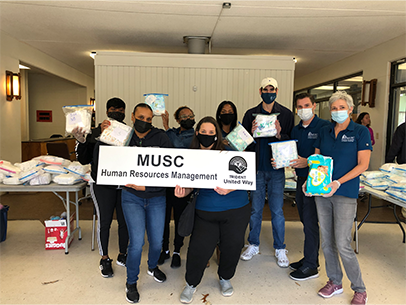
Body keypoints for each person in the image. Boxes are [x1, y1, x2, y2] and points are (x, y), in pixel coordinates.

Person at [174, 116, 250, 304]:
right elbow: (191, 185)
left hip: (236, 209)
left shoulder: (229, 151)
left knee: (232, 248)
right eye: (203, 132)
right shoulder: (190, 156)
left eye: (211, 132)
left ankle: (225, 278)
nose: (207, 135)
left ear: (216, 135)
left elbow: (247, 176)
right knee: (198, 250)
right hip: (205, 211)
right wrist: (183, 192)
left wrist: (231, 186)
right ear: (197, 133)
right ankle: (191, 284)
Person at [104, 103, 172, 303]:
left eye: (149, 119)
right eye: (141, 117)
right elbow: (105, 158)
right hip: (131, 196)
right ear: (132, 117)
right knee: (136, 243)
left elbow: (169, 172)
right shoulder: (122, 136)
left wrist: (147, 188)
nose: (145, 122)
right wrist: (104, 133)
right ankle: (131, 282)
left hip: (157, 197)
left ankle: (152, 267)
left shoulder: (161, 138)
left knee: (157, 240)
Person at [307, 91, 371, 305]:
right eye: (334, 108)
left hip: (344, 193)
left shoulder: (360, 132)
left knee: (342, 243)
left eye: (342, 107)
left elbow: (363, 165)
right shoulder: (325, 131)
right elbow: (316, 160)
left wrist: (338, 183)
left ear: (351, 109)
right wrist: (311, 182)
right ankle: (334, 281)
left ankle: (360, 289)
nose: (338, 111)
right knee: (327, 242)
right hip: (322, 193)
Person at [240, 77, 294, 267]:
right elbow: (243, 142)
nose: (268, 91)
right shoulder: (251, 114)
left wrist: (280, 134)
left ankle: (280, 247)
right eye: (265, 88)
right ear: (260, 91)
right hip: (256, 169)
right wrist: (252, 133)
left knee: (277, 210)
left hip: (276, 169)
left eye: (272, 89)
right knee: (255, 209)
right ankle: (253, 243)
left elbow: (291, 141)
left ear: (277, 91)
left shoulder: (286, 114)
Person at [72, 97, 129, 278]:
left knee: (124, 221)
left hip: (123, 184)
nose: (117, 112)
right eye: (113, 109)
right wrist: (83, 140)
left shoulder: (128, 132)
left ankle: (123, 254)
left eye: (120, 110)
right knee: (104, 221)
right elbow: (83, 159)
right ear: (106, 111)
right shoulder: (94, 132)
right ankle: (104, 258)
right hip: (102, 185)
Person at [288, 93, 330, 281]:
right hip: (299, 180)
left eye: (306, 105)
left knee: (311, 222)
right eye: (299, 106)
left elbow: (326, 156)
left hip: (315, 182)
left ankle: (311, 266)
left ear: (314, 105)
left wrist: (308, 162)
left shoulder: (323, 127)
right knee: (305, 221)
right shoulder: (296, 129)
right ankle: (310, 257)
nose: (303, 109)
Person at [158, 106, 195, 268]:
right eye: (184, 116)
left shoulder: (196, 135)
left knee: (180, 218)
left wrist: (166, 128)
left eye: (190, 116)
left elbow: (178, 145)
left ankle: (177, 251)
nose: (188, 118)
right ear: (178, 119)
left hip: (184, 184)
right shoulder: (170, 133)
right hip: (166, 183)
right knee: (163, 219)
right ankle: (164, 249)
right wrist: (166, 127)